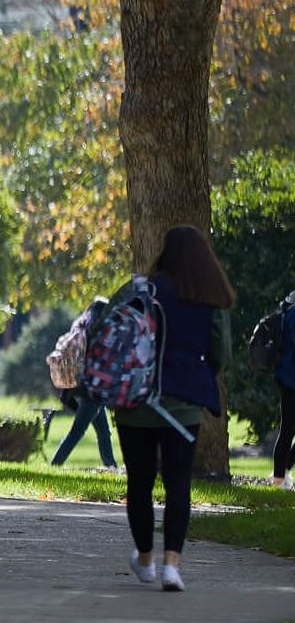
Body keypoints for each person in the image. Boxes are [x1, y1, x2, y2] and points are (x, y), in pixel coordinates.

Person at [117, 226, 235, 592]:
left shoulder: (138, 290)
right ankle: (172, 565)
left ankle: (145, 559)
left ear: (164, 253)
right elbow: (221, 353)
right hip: (183, 406)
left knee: (139, 482)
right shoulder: (208, 298)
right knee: (178, 481)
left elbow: (113, 331)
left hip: (135, 400)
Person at [276, 291, 295, 492]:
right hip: (291, 379)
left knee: (287, 429)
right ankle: (279, 479)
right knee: (287, 429)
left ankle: (282, 474)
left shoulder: (289, 308)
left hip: (287, 377)